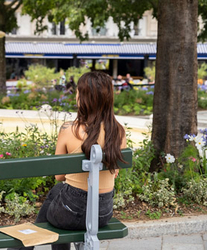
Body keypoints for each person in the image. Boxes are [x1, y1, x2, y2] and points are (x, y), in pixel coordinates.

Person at [9, 71, 127, 250]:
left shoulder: (68, 130)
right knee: (58, 192)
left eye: (78, 92)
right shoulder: (118, 132)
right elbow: (115, 172)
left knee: (57, 193)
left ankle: (25, 244)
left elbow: (59, 176)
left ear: (83, 98)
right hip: (103, 213)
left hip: (71, 213)